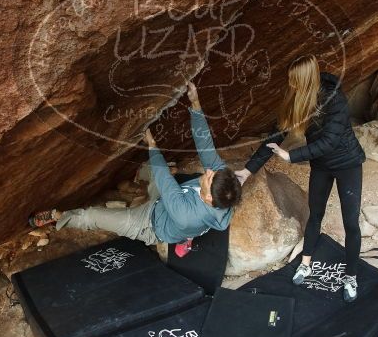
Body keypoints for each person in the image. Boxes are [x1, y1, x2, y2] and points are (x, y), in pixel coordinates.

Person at [29, 82, 242, 246]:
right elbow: (205, 145)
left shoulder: (187, 216)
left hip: (149, 225)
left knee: (91, 216)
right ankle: (138, 183)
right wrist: (195, 104)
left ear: (208, 197)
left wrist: (152, 144)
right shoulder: (221, 183)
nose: (209, 171)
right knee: (160, 169)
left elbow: (165, 180)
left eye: (209, 177)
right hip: (166, 203)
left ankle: (58, 217)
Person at [235, 55, 365, 302]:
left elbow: (330, 141)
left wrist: (290, 156)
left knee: (351, 222)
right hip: (321, 166)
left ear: (304, 80)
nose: (290, 85)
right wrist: (248, 170)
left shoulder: (334, 98)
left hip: (348, 163)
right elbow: (274, 138)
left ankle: (351, 276)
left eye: (294, 80)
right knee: (315, 214)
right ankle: (306, 262)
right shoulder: (297, 100)